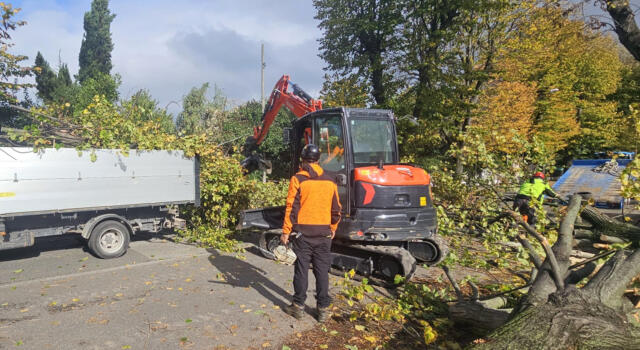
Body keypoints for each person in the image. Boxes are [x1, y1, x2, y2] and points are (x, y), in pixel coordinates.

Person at [281, 144, 341, 322]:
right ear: (318, 159)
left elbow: (292, 208)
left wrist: (286, 231)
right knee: (322, 271)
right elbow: (337, 210)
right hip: (324, 234)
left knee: (301, 270)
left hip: (303, 234)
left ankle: (298, 307)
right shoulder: (330, 181)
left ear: (303, 159)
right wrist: (332, 229)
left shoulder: (298, 179)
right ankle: (322, 310)